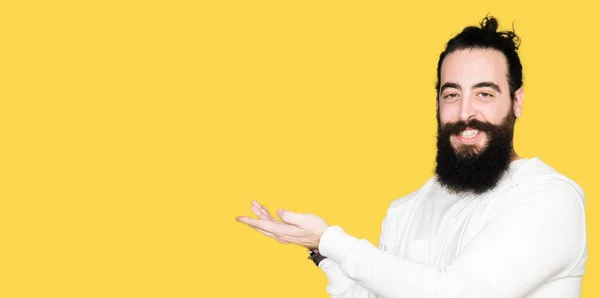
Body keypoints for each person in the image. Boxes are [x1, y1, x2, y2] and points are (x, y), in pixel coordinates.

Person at [235, 16, 587, 298]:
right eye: (452, 95)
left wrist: (331, 240)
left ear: (516, 101)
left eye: (484, 93)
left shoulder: (550, 198)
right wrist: (321, 253)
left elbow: (458, 293)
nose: (466, 112)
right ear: (436, 104)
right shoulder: (409, 207)